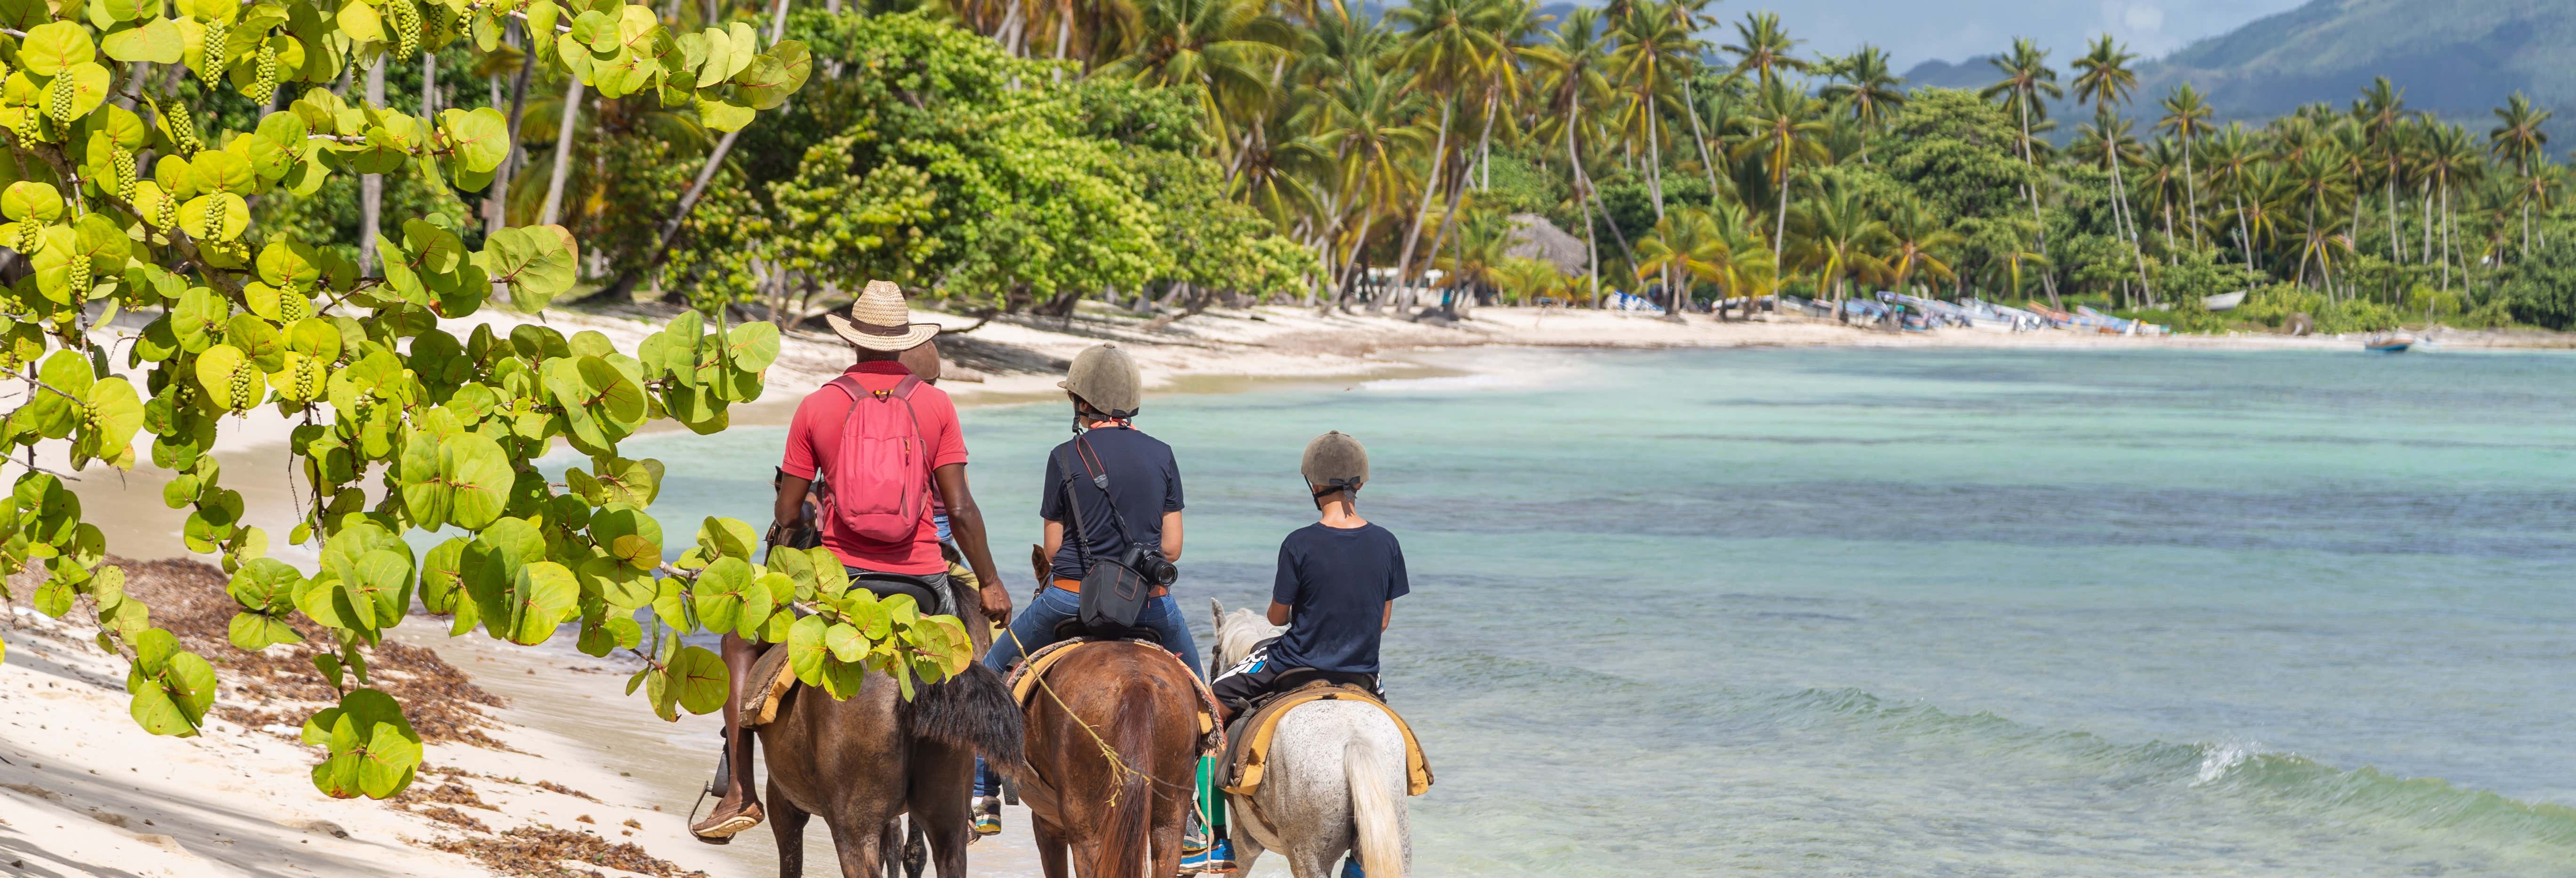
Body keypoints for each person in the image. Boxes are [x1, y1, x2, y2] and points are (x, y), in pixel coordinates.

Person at [690, 281, 1014, 844]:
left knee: (741, 639)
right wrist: (989, 583)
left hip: (839, 583)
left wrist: (802, 520)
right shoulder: (937, 405)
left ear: (854, 343)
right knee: (974, 650)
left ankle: (740, 790)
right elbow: (959, 508)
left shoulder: (818, 405)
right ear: (901, 343)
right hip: (921, 583)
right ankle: (968, 795)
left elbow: (789, 509)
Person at [969, 344, 1207, 843]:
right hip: (1150, 601)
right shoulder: (1162, 454)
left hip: (1071, 595)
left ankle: (982, 794)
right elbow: (1173, 546)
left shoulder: (1064, 456)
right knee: (1203, 703)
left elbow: (1053, 549)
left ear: (1083, 401)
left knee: (988, 673)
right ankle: (1192, 818)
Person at [1204, 431, 1408, 876]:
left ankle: (1213, 835)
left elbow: (1277, 616)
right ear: (1360, 483)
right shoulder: (1388, 543)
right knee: (1389, 732)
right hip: (1362, 674)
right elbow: (1382, 622)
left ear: (1314, 485)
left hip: (1294, 661)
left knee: (1209, 704)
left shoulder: (1298, 543)